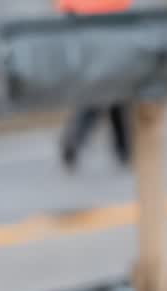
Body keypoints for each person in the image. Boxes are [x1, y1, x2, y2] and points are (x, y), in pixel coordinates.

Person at [57, 0, 133, 171]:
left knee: (107, 88)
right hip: (109, 20)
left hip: (81, 19)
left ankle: (123, 149)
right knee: (109, 87)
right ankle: (122, 149)